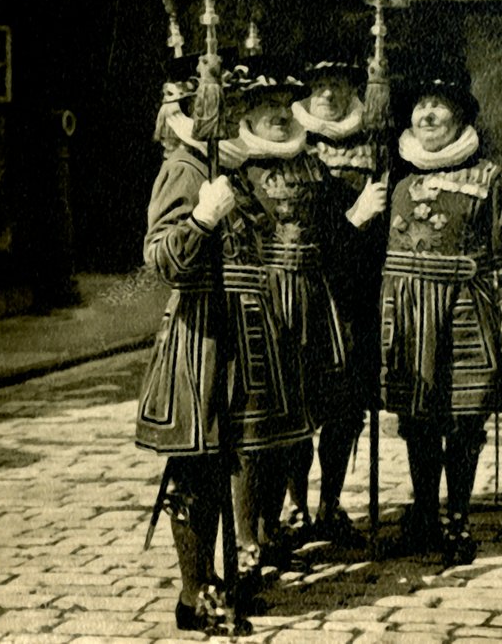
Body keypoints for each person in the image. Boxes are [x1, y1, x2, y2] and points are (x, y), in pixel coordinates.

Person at [225, 55, 387, 569]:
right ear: (246, 115)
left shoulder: (309, 163)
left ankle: (277, 528)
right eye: (265, 106)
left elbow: (332, 235)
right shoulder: (236, 169)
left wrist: (354, 219)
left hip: (317, 300)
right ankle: (250, 536)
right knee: (261, 427)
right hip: (266, 302)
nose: (277, 115)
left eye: (281, 105)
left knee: (313, 412)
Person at [379, 54, 502, 567]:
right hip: (409, 317)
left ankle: (457, 516)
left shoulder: (488, 177)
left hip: (464, 312)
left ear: (462, 117)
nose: (428, 114)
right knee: (417, 420)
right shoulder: (393, 177)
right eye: (421, 104)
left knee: (463, 418)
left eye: (440, 105)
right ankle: (423, 511)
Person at [135, 51, 254, 635]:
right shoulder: (184, 169)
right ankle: (195, 589)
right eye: (208, 106)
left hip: (229, 326)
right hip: (196, 331)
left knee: (218, 461)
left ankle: (205, 583)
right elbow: (159, 258)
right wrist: (203, 222)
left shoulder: (220, 162)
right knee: (194, 465)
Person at [280, 42, 385, 548]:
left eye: (339, 84)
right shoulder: (291, 143)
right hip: (306, 289)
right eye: (318, 86)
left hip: (356, 294)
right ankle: (296, 506)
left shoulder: (375, 143)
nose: (328, 94)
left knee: (346, 408)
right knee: (301, 404)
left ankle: (330, 504)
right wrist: (353, 216)